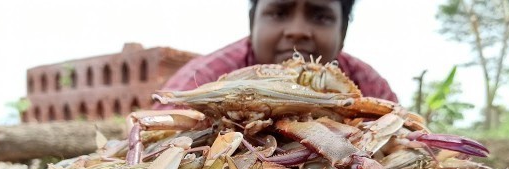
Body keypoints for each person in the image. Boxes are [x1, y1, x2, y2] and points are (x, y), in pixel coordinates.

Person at [155, 0, 397, 105]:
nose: (297, 31)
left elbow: (412, 142)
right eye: (279, 12)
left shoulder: (370, 89)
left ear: (342, 32)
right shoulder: (202, 81)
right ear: (253, 23)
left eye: (320, 16)